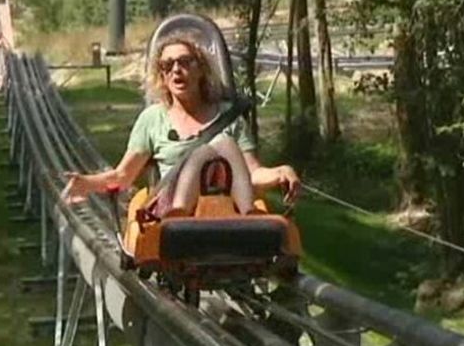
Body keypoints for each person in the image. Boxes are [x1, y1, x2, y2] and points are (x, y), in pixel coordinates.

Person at [62, 31, 300, 215]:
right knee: (205, 151)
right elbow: (124, 176)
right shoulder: (153, 119)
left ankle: (249, 216)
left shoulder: (229, 118)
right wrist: (86, 183)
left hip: (222, 209)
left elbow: (253, 174)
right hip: (171, 205)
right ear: (163, 77)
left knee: (225, 143)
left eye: (185, 62)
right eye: (168, 66)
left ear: (200, 69)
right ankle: (179, 215)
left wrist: (280, 172)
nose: (177, 70)